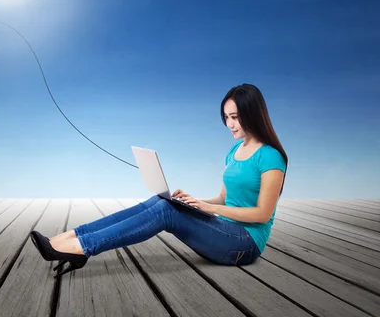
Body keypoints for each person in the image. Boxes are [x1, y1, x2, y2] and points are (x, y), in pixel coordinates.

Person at [30, 83, 288, 278]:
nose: (229, 124)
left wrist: (211, 209)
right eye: (227, 118)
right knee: (161, 201)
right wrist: (195, 202)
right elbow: (223, 197)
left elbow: (263, 214)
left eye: (235, 117)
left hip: (245, 243)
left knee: (166, 211)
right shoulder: (235, 150)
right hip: (224, 227)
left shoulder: (270, 157)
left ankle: (83, 248)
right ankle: (70, 238)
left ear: (252, 114)